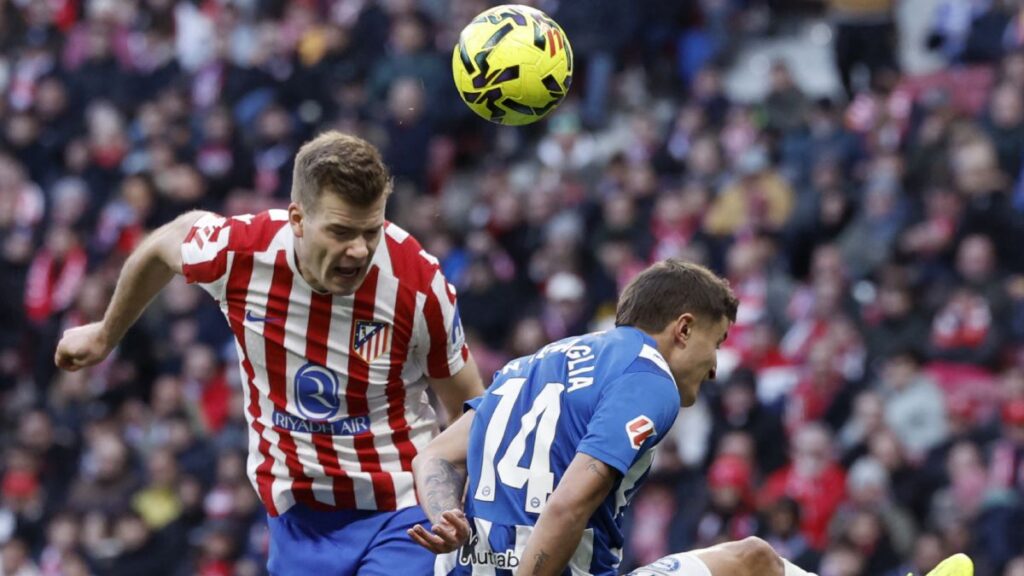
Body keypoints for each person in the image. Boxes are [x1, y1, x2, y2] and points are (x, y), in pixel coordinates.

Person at [53, 131, 486, 575]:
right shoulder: (244, 252)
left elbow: (471, 408)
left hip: (400, 513)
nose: (358, 249)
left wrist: (453, 503)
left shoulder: (416, 282)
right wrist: (106, 333)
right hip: (296, 519)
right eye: (340, 232)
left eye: (370, 231)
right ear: (297, 219)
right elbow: (167, 243)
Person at [406, 259, 976, 576]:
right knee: (752, 563)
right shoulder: (647, 376)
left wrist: (442, 516)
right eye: (717, 341)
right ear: (682, 329)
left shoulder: (530, 364)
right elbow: (570, 502)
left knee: (753, 559)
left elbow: (432, 455)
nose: (715, 365)